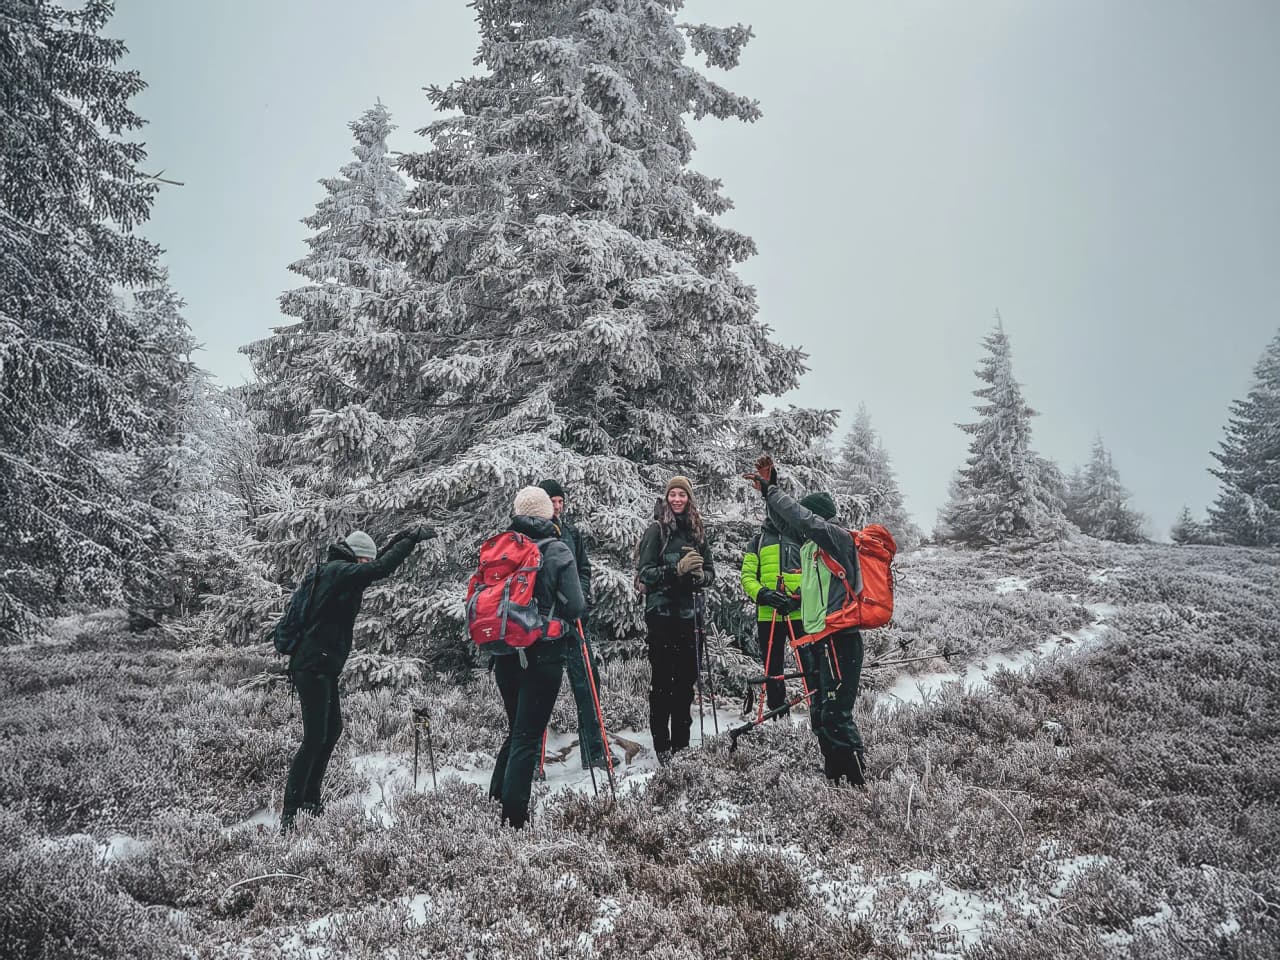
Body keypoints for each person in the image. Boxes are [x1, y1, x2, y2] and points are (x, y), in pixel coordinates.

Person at [283, 525, 435, 831]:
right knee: (314, 737)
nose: (365, 570)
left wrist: (398, 536)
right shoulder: (340, 571)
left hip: (320, 665)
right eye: (365, 563)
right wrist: (410, 538)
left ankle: (311, 801)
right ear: (358, 559)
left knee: (331, 730)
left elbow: (375, 563)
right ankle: (292, 811)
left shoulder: (336, 571)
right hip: (312, 665)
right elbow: (381, 568)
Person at [745, 455, 868, 786]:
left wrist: (773, 490)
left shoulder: (837, 539)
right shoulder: (814, 548)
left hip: (842, 641)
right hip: (825, 641)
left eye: (811, 518)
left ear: (821, 519)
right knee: (822, 715)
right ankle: (835, 782)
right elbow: (786, 524)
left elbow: (800, 520)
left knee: (837, 716)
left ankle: (859, 787)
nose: (803, 526)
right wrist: (767, 494)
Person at [488, 486, 586, 828]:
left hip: (504, 653)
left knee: (517, 728)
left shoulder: (501, 548)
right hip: (544, 654)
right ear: (547, 514)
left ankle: (496, 797)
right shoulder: (557, 550)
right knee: (528, 736)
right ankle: (514, 820)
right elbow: (575, 606)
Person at [636, 476, 715, 764]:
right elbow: (645, 573)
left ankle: (682, 746)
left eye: (682, 494)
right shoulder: (656, 531)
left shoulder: (697, 532)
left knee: (685, 686)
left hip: (691, 619)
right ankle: (662, 746)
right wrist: (676, 571)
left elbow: (710, 572)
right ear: (667, 498)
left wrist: (699, 576)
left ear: (689, 499)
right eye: (673, 494)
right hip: (661, 618)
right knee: (662, 685)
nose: (677, 499)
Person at [537, 479, 608, 770]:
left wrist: (578, 595)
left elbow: (584, 569)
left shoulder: (571, 534)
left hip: (576, 622)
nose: (557, 506)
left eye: (561, 501)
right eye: (552, 501)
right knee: (540, 693)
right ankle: (534, 761)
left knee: (588, 687)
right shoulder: (532, 535)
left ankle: (594, 754)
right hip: (544, 626)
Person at [740, 512, 806, 717]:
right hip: (769, 615)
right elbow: (747, 577)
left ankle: (818, 715)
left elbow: (815, 575)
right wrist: (763, 594)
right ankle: (778, 716)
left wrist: (801, 598)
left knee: (810, 665)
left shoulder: (802, 536)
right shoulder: (757, 541)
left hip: (800, 614)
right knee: (772, 670)